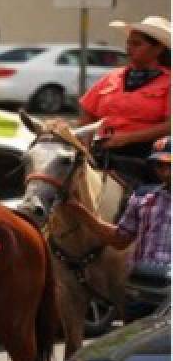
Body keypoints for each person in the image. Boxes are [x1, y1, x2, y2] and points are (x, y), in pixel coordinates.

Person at [60, 136, 170, 320]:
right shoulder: (144, 198)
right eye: (159, 165)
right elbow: (120, 239)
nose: (165, 171)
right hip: (143, 288)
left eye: (169, 165)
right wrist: (83, 214)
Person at [76, 16, 170, 184]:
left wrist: (127, 138)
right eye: (128, 43)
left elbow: (170, 125)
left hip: (145, 156)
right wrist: (86, 140)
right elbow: (88, 110)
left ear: (158, 49)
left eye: (137, 44)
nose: (129, 48)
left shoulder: (168, 82)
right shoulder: (112, 77)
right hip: (102, 150)